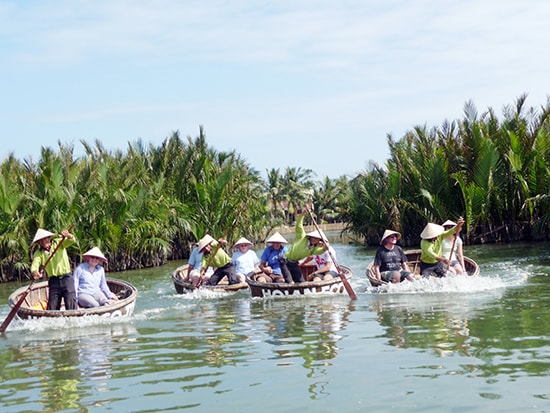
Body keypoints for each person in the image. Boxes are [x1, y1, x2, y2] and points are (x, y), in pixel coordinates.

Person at [31, 227, 78, 310]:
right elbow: (35, 264)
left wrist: (68, 235)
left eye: (45, 239)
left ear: (49, 238)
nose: (43, 242)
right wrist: (35, 272)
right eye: (40, 240)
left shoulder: (58, 242)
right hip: (54, 281)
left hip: (66, 278)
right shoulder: (39, 253)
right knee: (52, 307)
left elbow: (71, 240)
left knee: (71, 304)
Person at [279, 208, 327, 283]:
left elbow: (322, 250)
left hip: (294, 263)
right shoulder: (302, 236)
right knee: (289, 281)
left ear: (318, 241)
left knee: (302, 282)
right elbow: (299, 224)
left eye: (317, 239)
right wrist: (303, 213)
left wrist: (325, 246)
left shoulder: (314, 249)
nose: (314, 239)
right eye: (314, 237)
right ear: (311, 237)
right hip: (285, 261)